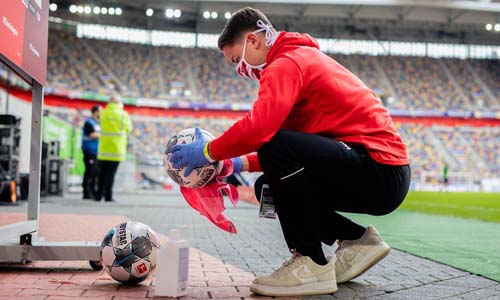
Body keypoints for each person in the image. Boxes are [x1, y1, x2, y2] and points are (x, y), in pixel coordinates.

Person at [169, 7, 410, 297]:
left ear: (253, 42)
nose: (241, 69)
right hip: (376, 169)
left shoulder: (286, 63)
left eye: (237, 60)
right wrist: (233, 165)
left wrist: (210, 151)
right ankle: (356, 240)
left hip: (378, 167)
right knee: (266, 187)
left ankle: (310, 263)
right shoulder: (300, 60)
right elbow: (292, 151)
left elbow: (261, 132)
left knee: (273, 144)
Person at [95, 95, 132, 202]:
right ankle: (108, 196)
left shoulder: (103, 113)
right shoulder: (123, 114)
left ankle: (98, 195)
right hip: (116, 149)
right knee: (111, 174)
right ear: (119, 103)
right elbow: (128, 129)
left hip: (103, 148)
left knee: (101, 173)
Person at [81, 105, 101, 199]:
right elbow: (92, 135)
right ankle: (86, 192)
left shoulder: (97, 123)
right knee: (89, 171)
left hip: (95, 151)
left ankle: (92, 192)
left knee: (95, 172)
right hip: (89, 150)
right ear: (96, 112)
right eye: (100, 111)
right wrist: (104, 135)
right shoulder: (89, 123)